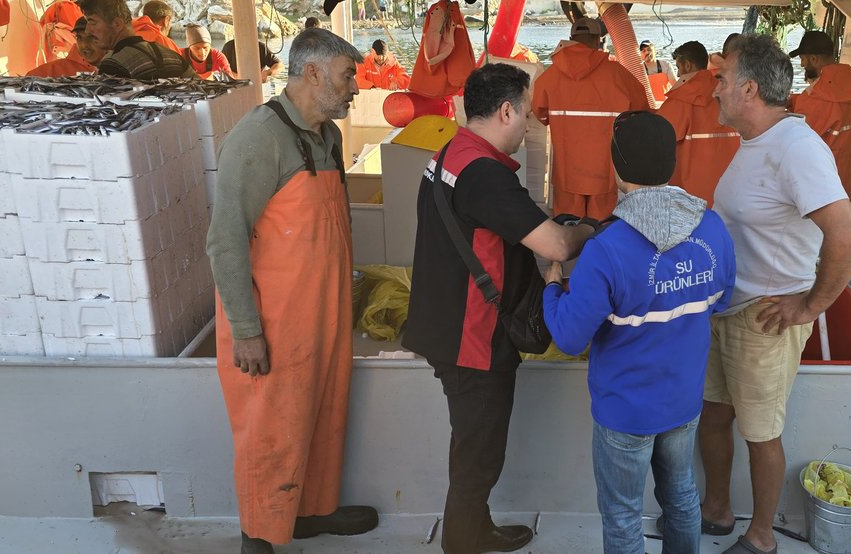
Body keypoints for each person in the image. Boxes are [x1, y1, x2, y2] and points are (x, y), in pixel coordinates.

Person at [402, 63, 596, 554]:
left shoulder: (451, 152)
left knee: (474, 441)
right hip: (473, 335)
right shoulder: (484, 175)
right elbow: (554, 245)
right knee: (479, 451)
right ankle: (463, 541)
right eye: (527, 114)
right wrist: (589, 230)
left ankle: (474, 527)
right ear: (506, 110)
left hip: (444, 320)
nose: (528, 123)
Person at [205, 28, 377, 554]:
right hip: (273, 323)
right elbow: (224, 240)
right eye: (348, 77)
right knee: (270, 428)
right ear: (312, 74)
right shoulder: (258, 137)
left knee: (324, 414)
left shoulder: (327, 135)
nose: (355, 88)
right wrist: (246, 332)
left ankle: (310, 513)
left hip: (322, 312)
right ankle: (257, 535)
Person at [699, 35, 851, 554]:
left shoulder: (797, 148)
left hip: (765, 317)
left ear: (748, 88)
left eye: (722, 80)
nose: (715, 91)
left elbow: (849, 234)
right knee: (713, 415)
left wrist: (810, 305)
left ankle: (762, 536)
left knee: (760, 432)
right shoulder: (756, 143)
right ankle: (717, 510)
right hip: (725, 308)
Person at [542, 110, 735, 554]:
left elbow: (570, 338)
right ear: (672, 163)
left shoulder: (606, 249)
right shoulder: (712, 228)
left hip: (626, 411)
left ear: (617, 167)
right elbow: (720, 300)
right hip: (684, 400)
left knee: (624, 516)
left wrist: (552, 287)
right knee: (683, 497)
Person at [532, 17, 649, 220]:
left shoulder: (550, 77)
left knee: (567, 230)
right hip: (606, 175)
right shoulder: (619, 74)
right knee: (602, 232)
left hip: (567, 174)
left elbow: (540, 113)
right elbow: (641, 113)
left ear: (571, 39)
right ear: (598, 40)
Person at [788, 30, 851, 203]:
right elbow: (833, 115)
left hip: (822, 189)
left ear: (814, 59)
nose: (802, 65)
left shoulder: (818, 96)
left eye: (803, 59)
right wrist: (795, 100)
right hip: (848, 184)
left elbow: (797, 141)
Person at [657, 40, 739, 206]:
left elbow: (656, 138)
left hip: (691, 195)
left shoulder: (680, 99)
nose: (678, 75)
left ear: (687, 66)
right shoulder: (731, 94)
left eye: (678, 68)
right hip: (734, 191)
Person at [77, 0, 195, 79]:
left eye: (93, 22)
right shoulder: (172, 56)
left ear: (117, 24)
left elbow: (112, 112)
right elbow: (205, 91)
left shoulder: (114, 65)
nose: (88, 30)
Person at [408, 0, 475, 98]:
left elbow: (432, 50)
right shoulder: (451, 11)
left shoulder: (441, 11)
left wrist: (430, 62)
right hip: (456, 77)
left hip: (443, 80)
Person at [27, 16, 106, 77]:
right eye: (79, 38)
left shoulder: (116, 68)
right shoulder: (47, 73)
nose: (84, 45)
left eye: (92, 37)